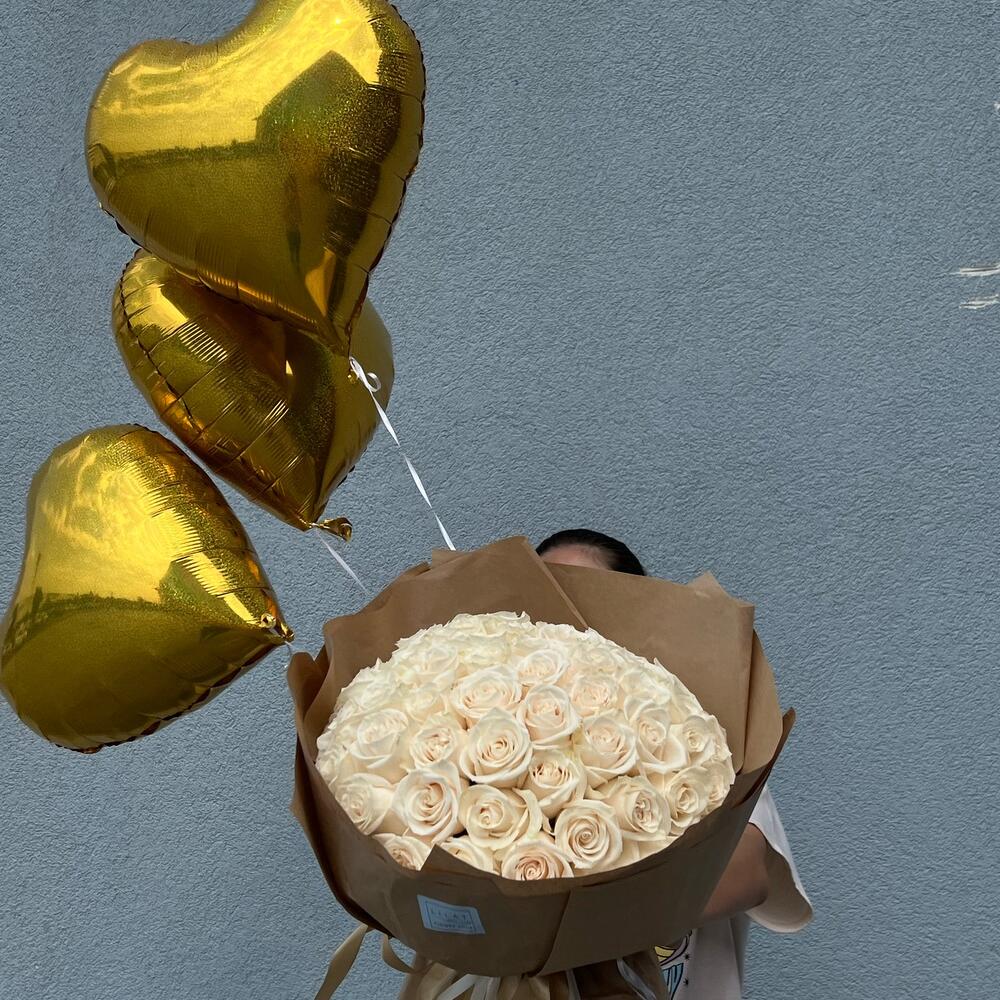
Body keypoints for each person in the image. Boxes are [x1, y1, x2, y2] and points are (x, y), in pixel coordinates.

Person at [537, 528, 813, 1000]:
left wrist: (559, 926)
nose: (565, 627)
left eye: (585, 601)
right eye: (546, 602)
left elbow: (750, 877)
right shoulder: (481, 747)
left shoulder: (696, 745)